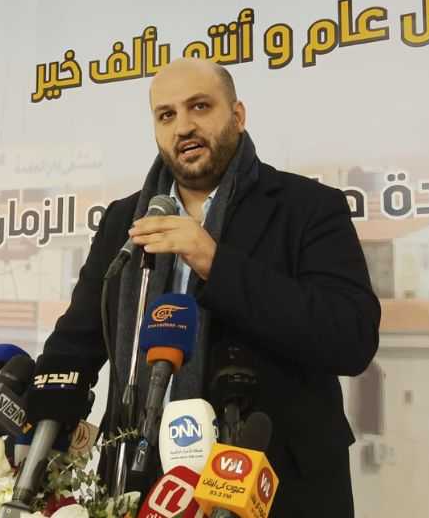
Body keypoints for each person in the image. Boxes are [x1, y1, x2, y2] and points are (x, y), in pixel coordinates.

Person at [44, 58, 380, 516]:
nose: (183, 126)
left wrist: (213, 262)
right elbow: (76, 342)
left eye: (199, 107)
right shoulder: (125, 221)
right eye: (166, 115)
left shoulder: (308, 207)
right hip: (138, 484)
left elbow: (350, 337)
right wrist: (36, 427)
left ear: (237, 116)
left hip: (274, 486)